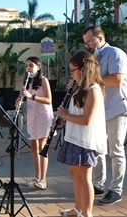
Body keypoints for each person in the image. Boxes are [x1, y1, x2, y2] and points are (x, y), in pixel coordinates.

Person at [82, 26, 127, 205]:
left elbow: (116, 81)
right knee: (98, 148)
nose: (87, 45)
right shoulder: (94, 58)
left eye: (90, 41)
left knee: (115, 150)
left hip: (117, 108)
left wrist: (91, 79)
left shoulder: (115, 53)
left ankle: (116, 190)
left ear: (100, 38)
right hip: (100, 110)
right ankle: (98, 185)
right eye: (85, 42)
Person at [57, 51, 107, 217]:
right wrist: (65, 119)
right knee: (74, 174)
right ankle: (78, 209)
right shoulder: (79, 89)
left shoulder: (93, 90)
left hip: (85, 140)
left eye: (73, 70)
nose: (71, 74)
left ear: (84, 69)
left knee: (85, 178)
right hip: (73, 137)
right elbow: (74, 112)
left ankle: (87, 213)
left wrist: (65, 115)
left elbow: (86, 120)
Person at [20, 56, 54, 190]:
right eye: (26, 66)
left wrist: (31, 96)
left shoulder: (43, 80)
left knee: (42, 148)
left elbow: (48, 99)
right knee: (33, 147)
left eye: (31, 65)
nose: (28, 68)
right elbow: (23, 98)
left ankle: (43, 180)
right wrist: (20, 100)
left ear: (38, 67)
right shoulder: (26, 82)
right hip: (32, 115)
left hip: (43, 115)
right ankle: (37, 177)